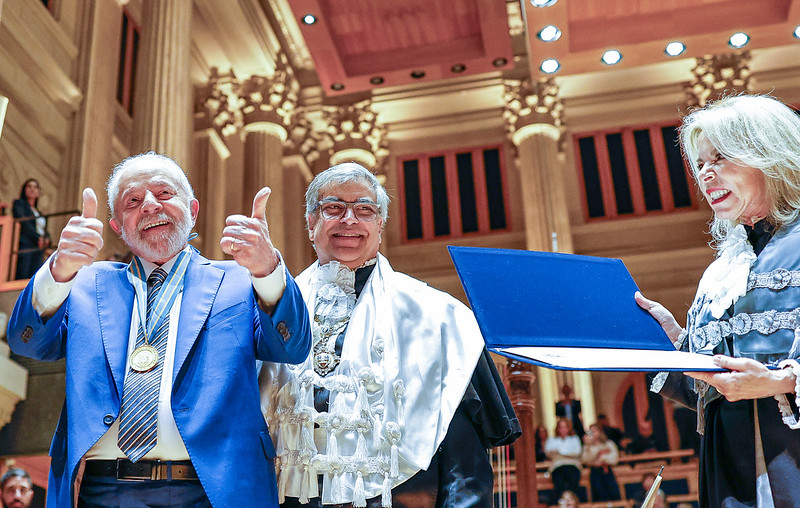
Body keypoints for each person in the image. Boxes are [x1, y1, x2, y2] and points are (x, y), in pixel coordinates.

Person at [7, 152, 311, 507]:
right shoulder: (86, 284)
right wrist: (59, 268)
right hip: (102, 490)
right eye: (132, 201)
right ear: (118, 227)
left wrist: (267, 268)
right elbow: (27, 341)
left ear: (193, 210)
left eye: (164, 194)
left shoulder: (238, 281)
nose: (150, 205)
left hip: (213, 487)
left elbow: (292, 347)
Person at [259, 162, 520, 507]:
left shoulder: (440, 316)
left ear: (380, 224)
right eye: (333, 208)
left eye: (364, 209)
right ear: (311, 223)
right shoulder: (270, 309)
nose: (348, 219)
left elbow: (465, 465)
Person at [636, 95, 800, 506]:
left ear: (770, 156)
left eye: (721, 158)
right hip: (731, 465)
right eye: (701, 163)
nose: (705, 174)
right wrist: (676, 345)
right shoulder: (722, 270)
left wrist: (783, 380)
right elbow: (709, 395)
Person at [12, 178, 50, 279]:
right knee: (24, 273)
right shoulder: (19, 204)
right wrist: (38, 237)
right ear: (24, 189)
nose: (32, 189)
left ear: (38, 193)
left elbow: (44, 229)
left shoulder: (40, 213)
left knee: (35, 275)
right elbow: (24, 222)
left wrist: (47, 239)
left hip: (39, 247)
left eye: (35, 187)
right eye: (29, 186)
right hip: (26, 245)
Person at [544, 418, 583, 503]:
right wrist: (567, 453)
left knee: (573, 481)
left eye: (565, 427)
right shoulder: (552, 439)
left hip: (572, 465)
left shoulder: (574, 439)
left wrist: (559, 452)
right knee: (559, 483)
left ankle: (574, 503)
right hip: (558, 466)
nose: (563, 429)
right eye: (561, 427)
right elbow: (548, 452)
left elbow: (577, 452)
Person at [581, 423, 620, 502]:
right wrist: (588, 446)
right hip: (595, 472)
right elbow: (585, 460)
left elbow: (615, 458)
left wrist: (602, 458)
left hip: (608, 471)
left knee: (613, 492)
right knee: (599, 493)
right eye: (591, 432)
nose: (593, 433)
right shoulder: (588, 446)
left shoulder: (609, 444)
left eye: (595, 431)